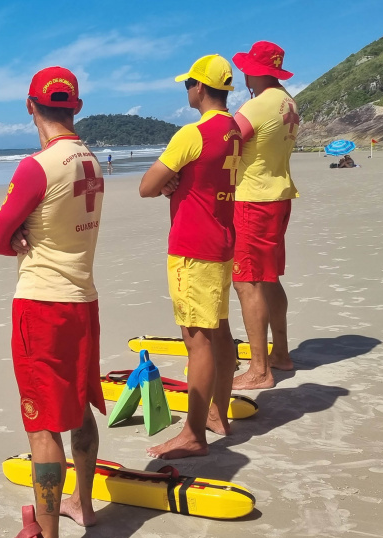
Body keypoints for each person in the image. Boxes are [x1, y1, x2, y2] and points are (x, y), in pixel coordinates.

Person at [0, 66, 104, 538]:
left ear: (30, 106)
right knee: (79, 405)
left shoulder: (37, 167)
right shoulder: (91, 159)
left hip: (42, 305)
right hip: (83, 299)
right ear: (76, 107)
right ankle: (84, 504)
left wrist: (17, 234)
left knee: (42, 427)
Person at [138, 54, 241, 459]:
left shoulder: (192, 134)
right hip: (222, 238)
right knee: (219, 330)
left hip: (193, 247)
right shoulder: (234, 130)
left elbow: (147, 186)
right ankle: (218, 413)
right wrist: (177, 183)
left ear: (199, 87)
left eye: (188, 85)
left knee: (197, 340)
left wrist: (167, 184)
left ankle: (193, 433)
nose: (187, 91)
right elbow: (204, 175)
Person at [229, 41, 298, 390]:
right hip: (279, 194)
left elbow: (223, 143)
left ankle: (259, 370)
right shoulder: (288, 101)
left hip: (252, 199)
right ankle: (280, 353)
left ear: (252, 71)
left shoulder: (256, 106)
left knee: (247, 281)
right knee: (268, 277)